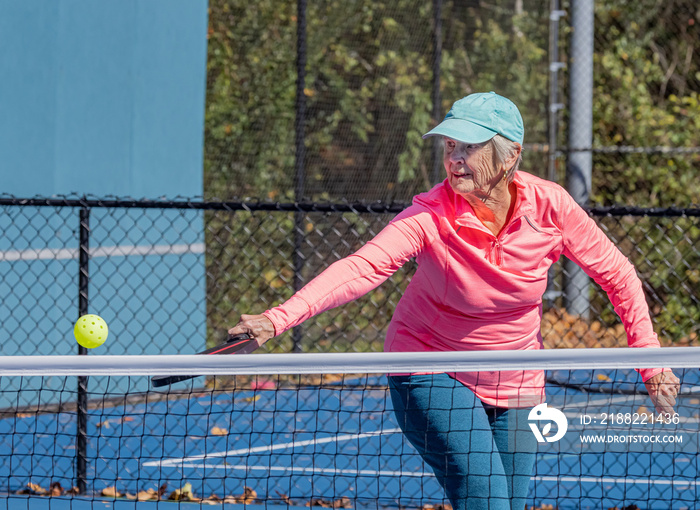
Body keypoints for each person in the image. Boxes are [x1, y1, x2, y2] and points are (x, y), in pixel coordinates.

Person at [228, 92, 681, 510]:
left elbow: (618, 274)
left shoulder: (551, 206)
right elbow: (362, 267)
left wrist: (651, 361)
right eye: (450, 146)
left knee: (504, 503)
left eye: (470, 147)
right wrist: (277, 319)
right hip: (431, 366)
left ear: (510, 156)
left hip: (516, 378)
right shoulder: (428, 215)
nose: (455, 158)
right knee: (486, 497)